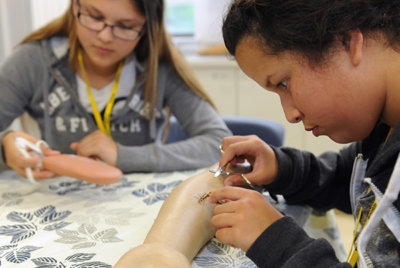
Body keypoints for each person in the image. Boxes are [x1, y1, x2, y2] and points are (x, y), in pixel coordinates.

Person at [207, 0, 400, 267]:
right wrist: (281, 168)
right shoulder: (385, 129)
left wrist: (275, 241)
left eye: (283, 83)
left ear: (347, 43)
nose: (290, 114)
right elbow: (348, 179)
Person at [0, 0, 231, 180]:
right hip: (59, 206)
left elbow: (219, 144)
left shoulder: (160, 67)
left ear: (147, 28)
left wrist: (124, 156)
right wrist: (4, 148)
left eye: (126, 26)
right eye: (94, 16)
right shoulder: (33, 61)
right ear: (75, 7)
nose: (104, 36)